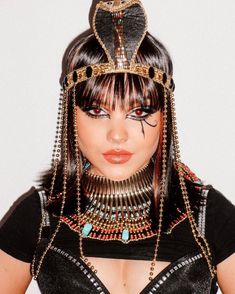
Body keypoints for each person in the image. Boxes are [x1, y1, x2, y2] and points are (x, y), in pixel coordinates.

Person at [0, 0, 235, 293]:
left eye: (139, 112)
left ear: (166, 118)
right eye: (98, 112)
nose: (117, 135)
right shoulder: (39, 215)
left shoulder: (208, 216)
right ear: (72, 115)